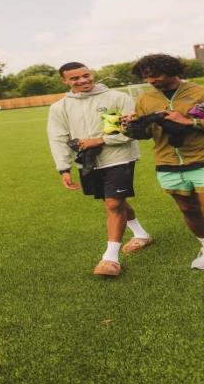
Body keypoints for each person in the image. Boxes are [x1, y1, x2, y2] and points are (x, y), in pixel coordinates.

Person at [128, 54, 204, 298]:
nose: (151, 81)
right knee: (189, 210)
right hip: (167, 163)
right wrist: (130, 127)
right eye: (146, 77)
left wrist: (191, 122)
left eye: (155, 75)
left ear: (172, 70)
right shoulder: (145, 99)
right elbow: (144, 134)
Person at [47, 62, 152, 277]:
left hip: (119, 157)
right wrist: (63, 168)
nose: (83, 80)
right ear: (65, 81)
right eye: (75, 78)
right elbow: (58, 138)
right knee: (114, 201)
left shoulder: (117, 98)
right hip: (88, 161)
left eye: (86, 75)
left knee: (114, 203)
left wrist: (99, 140)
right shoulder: (59, 107)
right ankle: (141, 234)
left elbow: (130, 131)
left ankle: (110, 259)